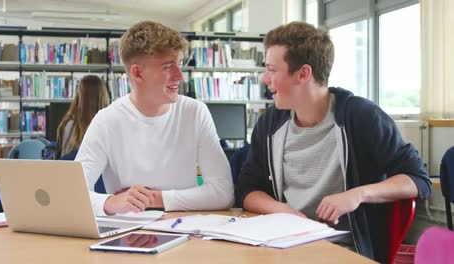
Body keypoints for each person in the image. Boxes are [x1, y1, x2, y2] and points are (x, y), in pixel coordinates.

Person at [236, 21, 432, 262]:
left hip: (344, 250)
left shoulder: (361, 117)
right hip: (284, 242)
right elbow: (247, 189)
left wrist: (357, 194)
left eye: (272, 70)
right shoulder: (270, 124)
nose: (265, 78)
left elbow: (418, 179)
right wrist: (284, 212)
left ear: (303, 74)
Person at [75, 21, 234, 216]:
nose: (180, 76)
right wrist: (109, 202)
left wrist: (156, 199)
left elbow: (223, 191)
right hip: (130, 234)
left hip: (184, 229)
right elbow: (71, 195)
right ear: (137, 73)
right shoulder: (107, 120)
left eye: (180, 65)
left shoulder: (195, 112)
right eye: (168, 67)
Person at [56, 75, 110, 159]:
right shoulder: (110, 127)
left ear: (79, 97)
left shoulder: (69, 126)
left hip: (72, 171)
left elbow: (64, 160)